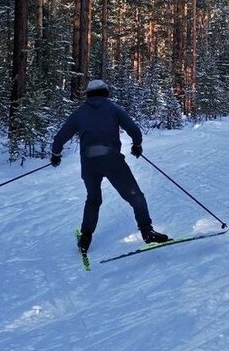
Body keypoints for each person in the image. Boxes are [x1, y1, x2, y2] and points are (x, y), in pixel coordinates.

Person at [51, 79, 169, 253]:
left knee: (93, 199)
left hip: (90, 165)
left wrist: (56, 155)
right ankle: (147, 231)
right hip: (113, 162)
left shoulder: (79, 113)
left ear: (89, 94)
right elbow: (134, 130)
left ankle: (85, 238)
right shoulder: (113, 109)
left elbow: (60, 137)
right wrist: (137, 145)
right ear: (105, 92)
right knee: (136, 196)